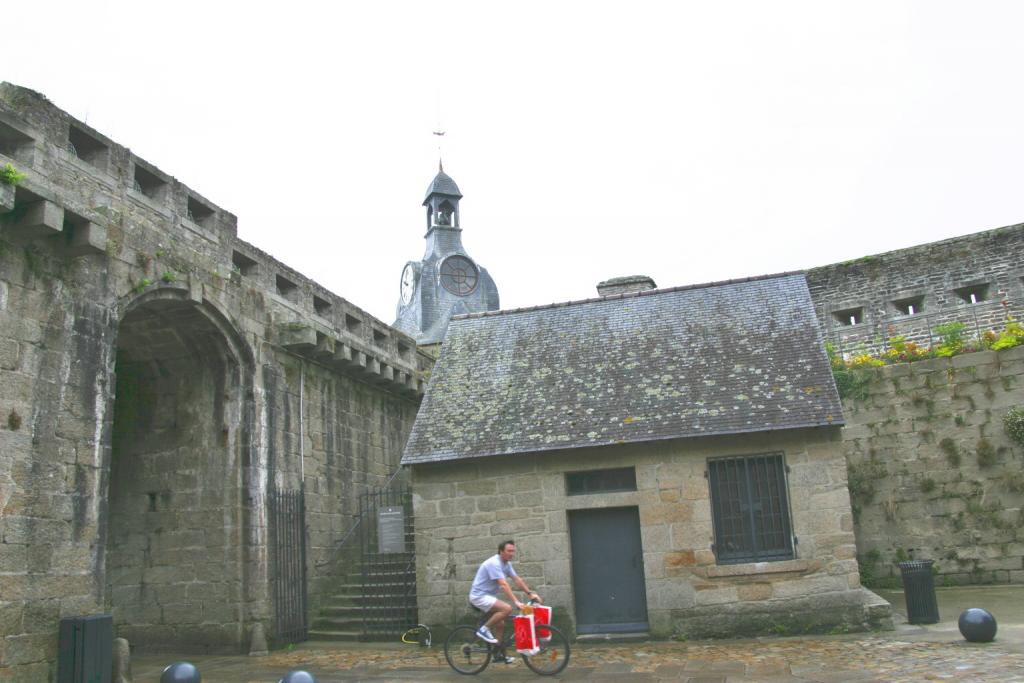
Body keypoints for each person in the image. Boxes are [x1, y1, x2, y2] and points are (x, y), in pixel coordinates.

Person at [469, 540, 542, 661]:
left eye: (513, 551)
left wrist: (530, 594)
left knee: (501, 625)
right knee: (507, 608)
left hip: (489, 597)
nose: (512, 553)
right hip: (479, 596)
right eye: (509, 551)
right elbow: (503, 584)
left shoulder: (506, 564)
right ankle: (484, 629)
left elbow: (517, 579)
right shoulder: (494, 563)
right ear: (501, 551)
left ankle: (498, 655)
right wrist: (516, 602)